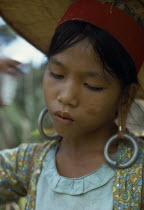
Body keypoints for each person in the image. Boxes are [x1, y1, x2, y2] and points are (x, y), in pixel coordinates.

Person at [0, 0, 144, 209]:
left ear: (125, 96)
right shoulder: (29, 164)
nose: (66, 96)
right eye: (56, 74)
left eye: (92, 85)